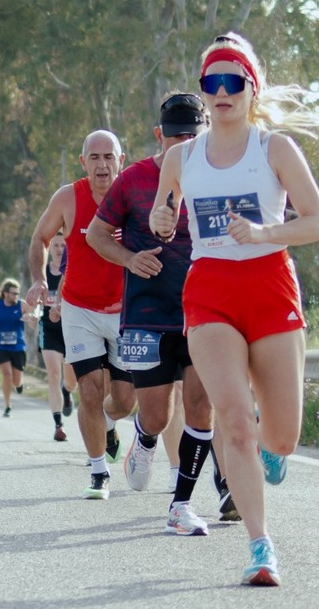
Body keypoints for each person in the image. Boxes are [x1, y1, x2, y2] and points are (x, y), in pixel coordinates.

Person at [151, 33, 319, 587]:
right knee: (232, 418)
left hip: (270, 285)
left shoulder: (274, 150)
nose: (222, 91)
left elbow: (316, 223)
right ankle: (260, 547)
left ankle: (272, 454)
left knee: (281, 437)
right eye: (212, 83)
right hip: (210, 290)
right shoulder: (180, 156)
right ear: (205, 92)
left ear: (252, 89)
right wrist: (161, 218)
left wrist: (262, 232)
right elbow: (164, 208)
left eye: (234, 82)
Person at [88, 91, 227, 537]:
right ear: (157, 136)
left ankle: (182, 504)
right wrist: (129, 259)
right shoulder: (133, 179)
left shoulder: (220, 176)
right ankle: (144, 441)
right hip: (148, 312)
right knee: (156, 416)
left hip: (203, 309)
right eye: (175, 138)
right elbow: (96, 235)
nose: (184, 145)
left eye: (193, 136)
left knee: (201, 404)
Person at [31, 130, 135, 500]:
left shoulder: (133, 194)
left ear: (120, 160)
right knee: (89, 389)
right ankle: (98, 472)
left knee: (125, 400)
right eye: (94, 157)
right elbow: (40, 238)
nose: (102, 164)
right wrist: (38, 280)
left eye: (109, 157)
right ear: (83, 162)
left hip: (125, 310)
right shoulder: (68, 198)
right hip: (79, 307)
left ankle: (106, 425)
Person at [26, 235, 71, 442]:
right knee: (53, 374)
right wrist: (34, 315)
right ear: (49, 249)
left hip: (72, 330)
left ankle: (68, 391)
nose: (60, 249)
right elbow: (35, 304)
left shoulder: (72, 270)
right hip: (49, 329)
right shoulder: (42, 275)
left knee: (71, 380)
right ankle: (58, 424)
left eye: (63, 245)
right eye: (55, 245)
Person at [0, 279, 28, 416]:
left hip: (18, 346)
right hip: (0, 345)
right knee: (7, 374)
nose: (16, 296)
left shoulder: (22, 305)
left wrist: (31, 318)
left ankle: (19, 384)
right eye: (13, 293)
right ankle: (7, 405)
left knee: (16, 381)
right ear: (5, 293)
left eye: (18, 293)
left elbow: (32, 314)